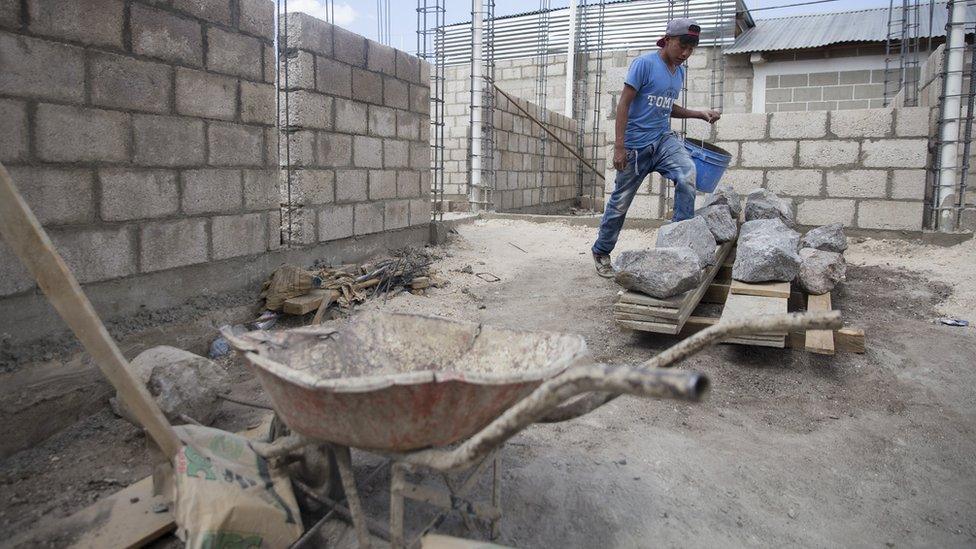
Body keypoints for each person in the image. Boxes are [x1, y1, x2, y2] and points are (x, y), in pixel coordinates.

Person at [591, 18, 721, 278]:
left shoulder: (679, 72)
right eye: (682, 46)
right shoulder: (644, 65)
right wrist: (619, 147)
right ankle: (602, 251)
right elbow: (624, 105)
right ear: (668, 40)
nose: (685, 53)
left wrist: (698, 113)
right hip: (635, 148)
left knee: (687, 175)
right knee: (620, 204)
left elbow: (666, 106)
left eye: (691, 49)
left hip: (663, 140)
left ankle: (679, 247)